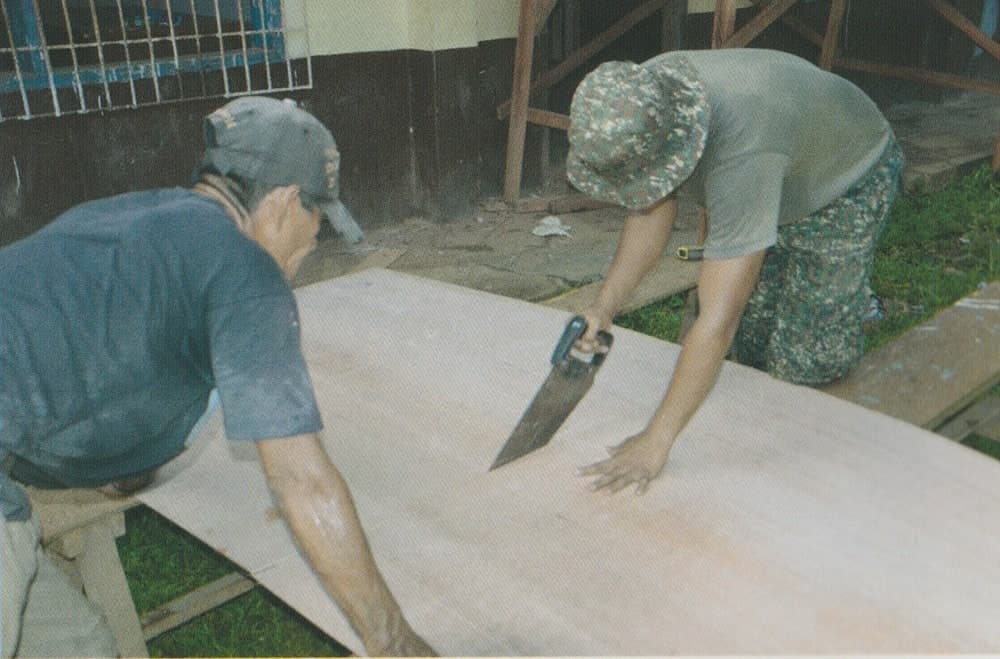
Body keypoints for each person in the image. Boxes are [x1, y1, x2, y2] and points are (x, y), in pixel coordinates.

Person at [0, 96, 434, 657]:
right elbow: (300, 481)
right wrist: (394, 641)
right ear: (280, 202)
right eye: (317, 217)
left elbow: (81, 352)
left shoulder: (130, 214)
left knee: (80, 647)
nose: (314, 241)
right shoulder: (244, 268)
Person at [565, 49, 905, 495]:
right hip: (776, 158)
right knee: (754, 346)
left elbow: (719, 317)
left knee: (806, 360)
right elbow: (650, 209)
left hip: (843, 179)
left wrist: (656, 440)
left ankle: (812, 482)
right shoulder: (638, 97)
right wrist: (603, 307)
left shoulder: (742, 150)